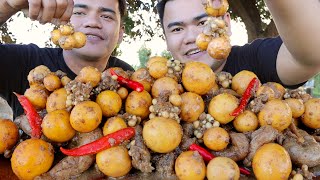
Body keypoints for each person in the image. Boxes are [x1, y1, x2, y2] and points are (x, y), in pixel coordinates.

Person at [0, 0, 134, 118]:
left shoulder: (127, 76)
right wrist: (6, 6)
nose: (93, 22)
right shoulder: (26, 61)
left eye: (106, 16)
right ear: (62, 22)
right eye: (79, 13)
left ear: (121, 33)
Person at [156, 0, 320, 88]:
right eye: (177, 29)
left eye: (202, 23)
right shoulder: (157, 83)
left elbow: (313, 55)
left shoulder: (255, 59)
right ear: (166, 39)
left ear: (226, 23)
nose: (192, 37)